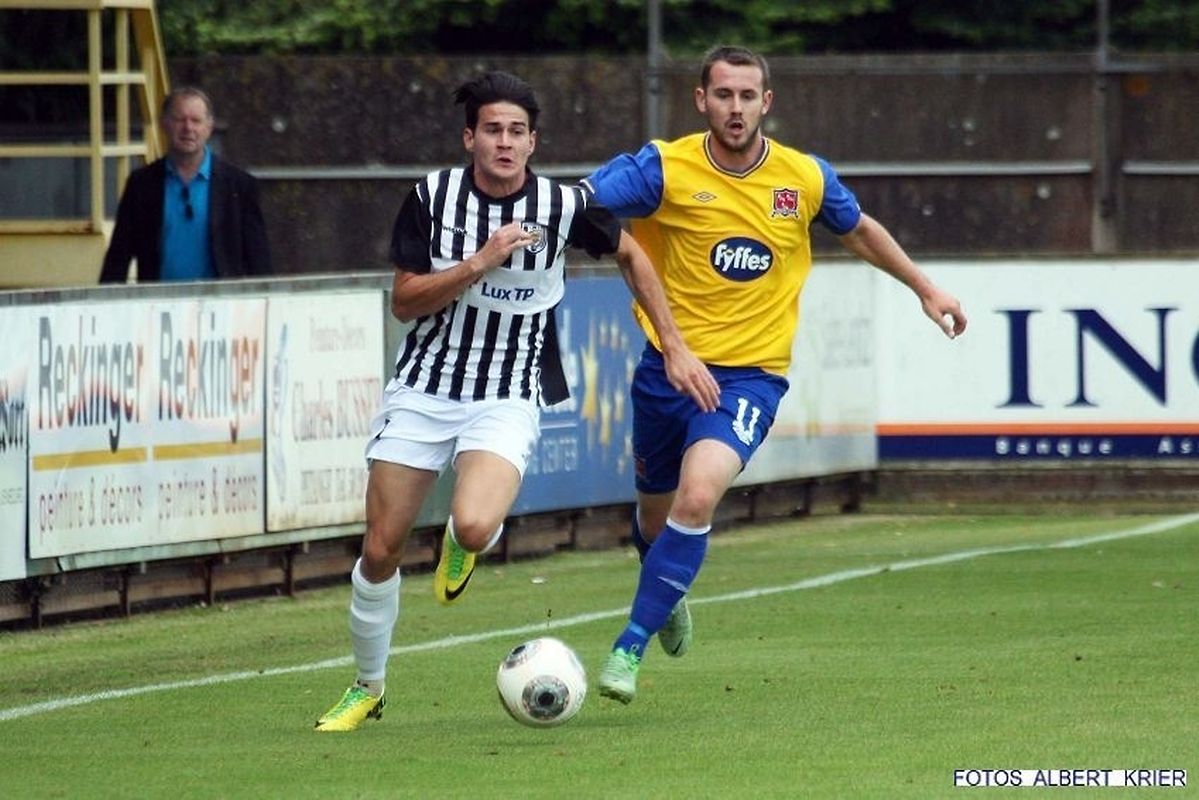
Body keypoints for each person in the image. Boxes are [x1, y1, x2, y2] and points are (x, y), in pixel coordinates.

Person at [314, 71, 718, 732]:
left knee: (474, 526)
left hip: (507, 392)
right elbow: (404, 301)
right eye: (493, 130)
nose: (505, 143)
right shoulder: (432, 197)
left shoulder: (562, 205)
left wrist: (672, 344)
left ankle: (462, 543)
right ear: (469, 138)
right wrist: (479, 262)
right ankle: (367, 686)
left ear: (533, 143)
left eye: (517, 132)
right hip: (424, 387)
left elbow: (632, 255)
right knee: (381, 548)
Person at [581, 45, 969, 704]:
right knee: (654, 518)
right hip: (667, 370)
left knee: (697, 497)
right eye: (723, 95)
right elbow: (584, 203)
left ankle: (629, 647)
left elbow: (858, 230)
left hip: (750, 379)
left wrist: (924, 288)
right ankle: (663, 590)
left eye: (746, 96)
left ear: (766, 102)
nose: (735, 108)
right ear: (701, 100)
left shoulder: (803, 178)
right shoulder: (663, 169)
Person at [100, 86, 271, 282]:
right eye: (179, 119)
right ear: (164, 123)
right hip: (159, 299)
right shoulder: (141, 184)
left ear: (209, 127)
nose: (188, 128)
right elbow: (118, 256)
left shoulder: (239, 185)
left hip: (220, 299)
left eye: (196, 120)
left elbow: (259, 261)